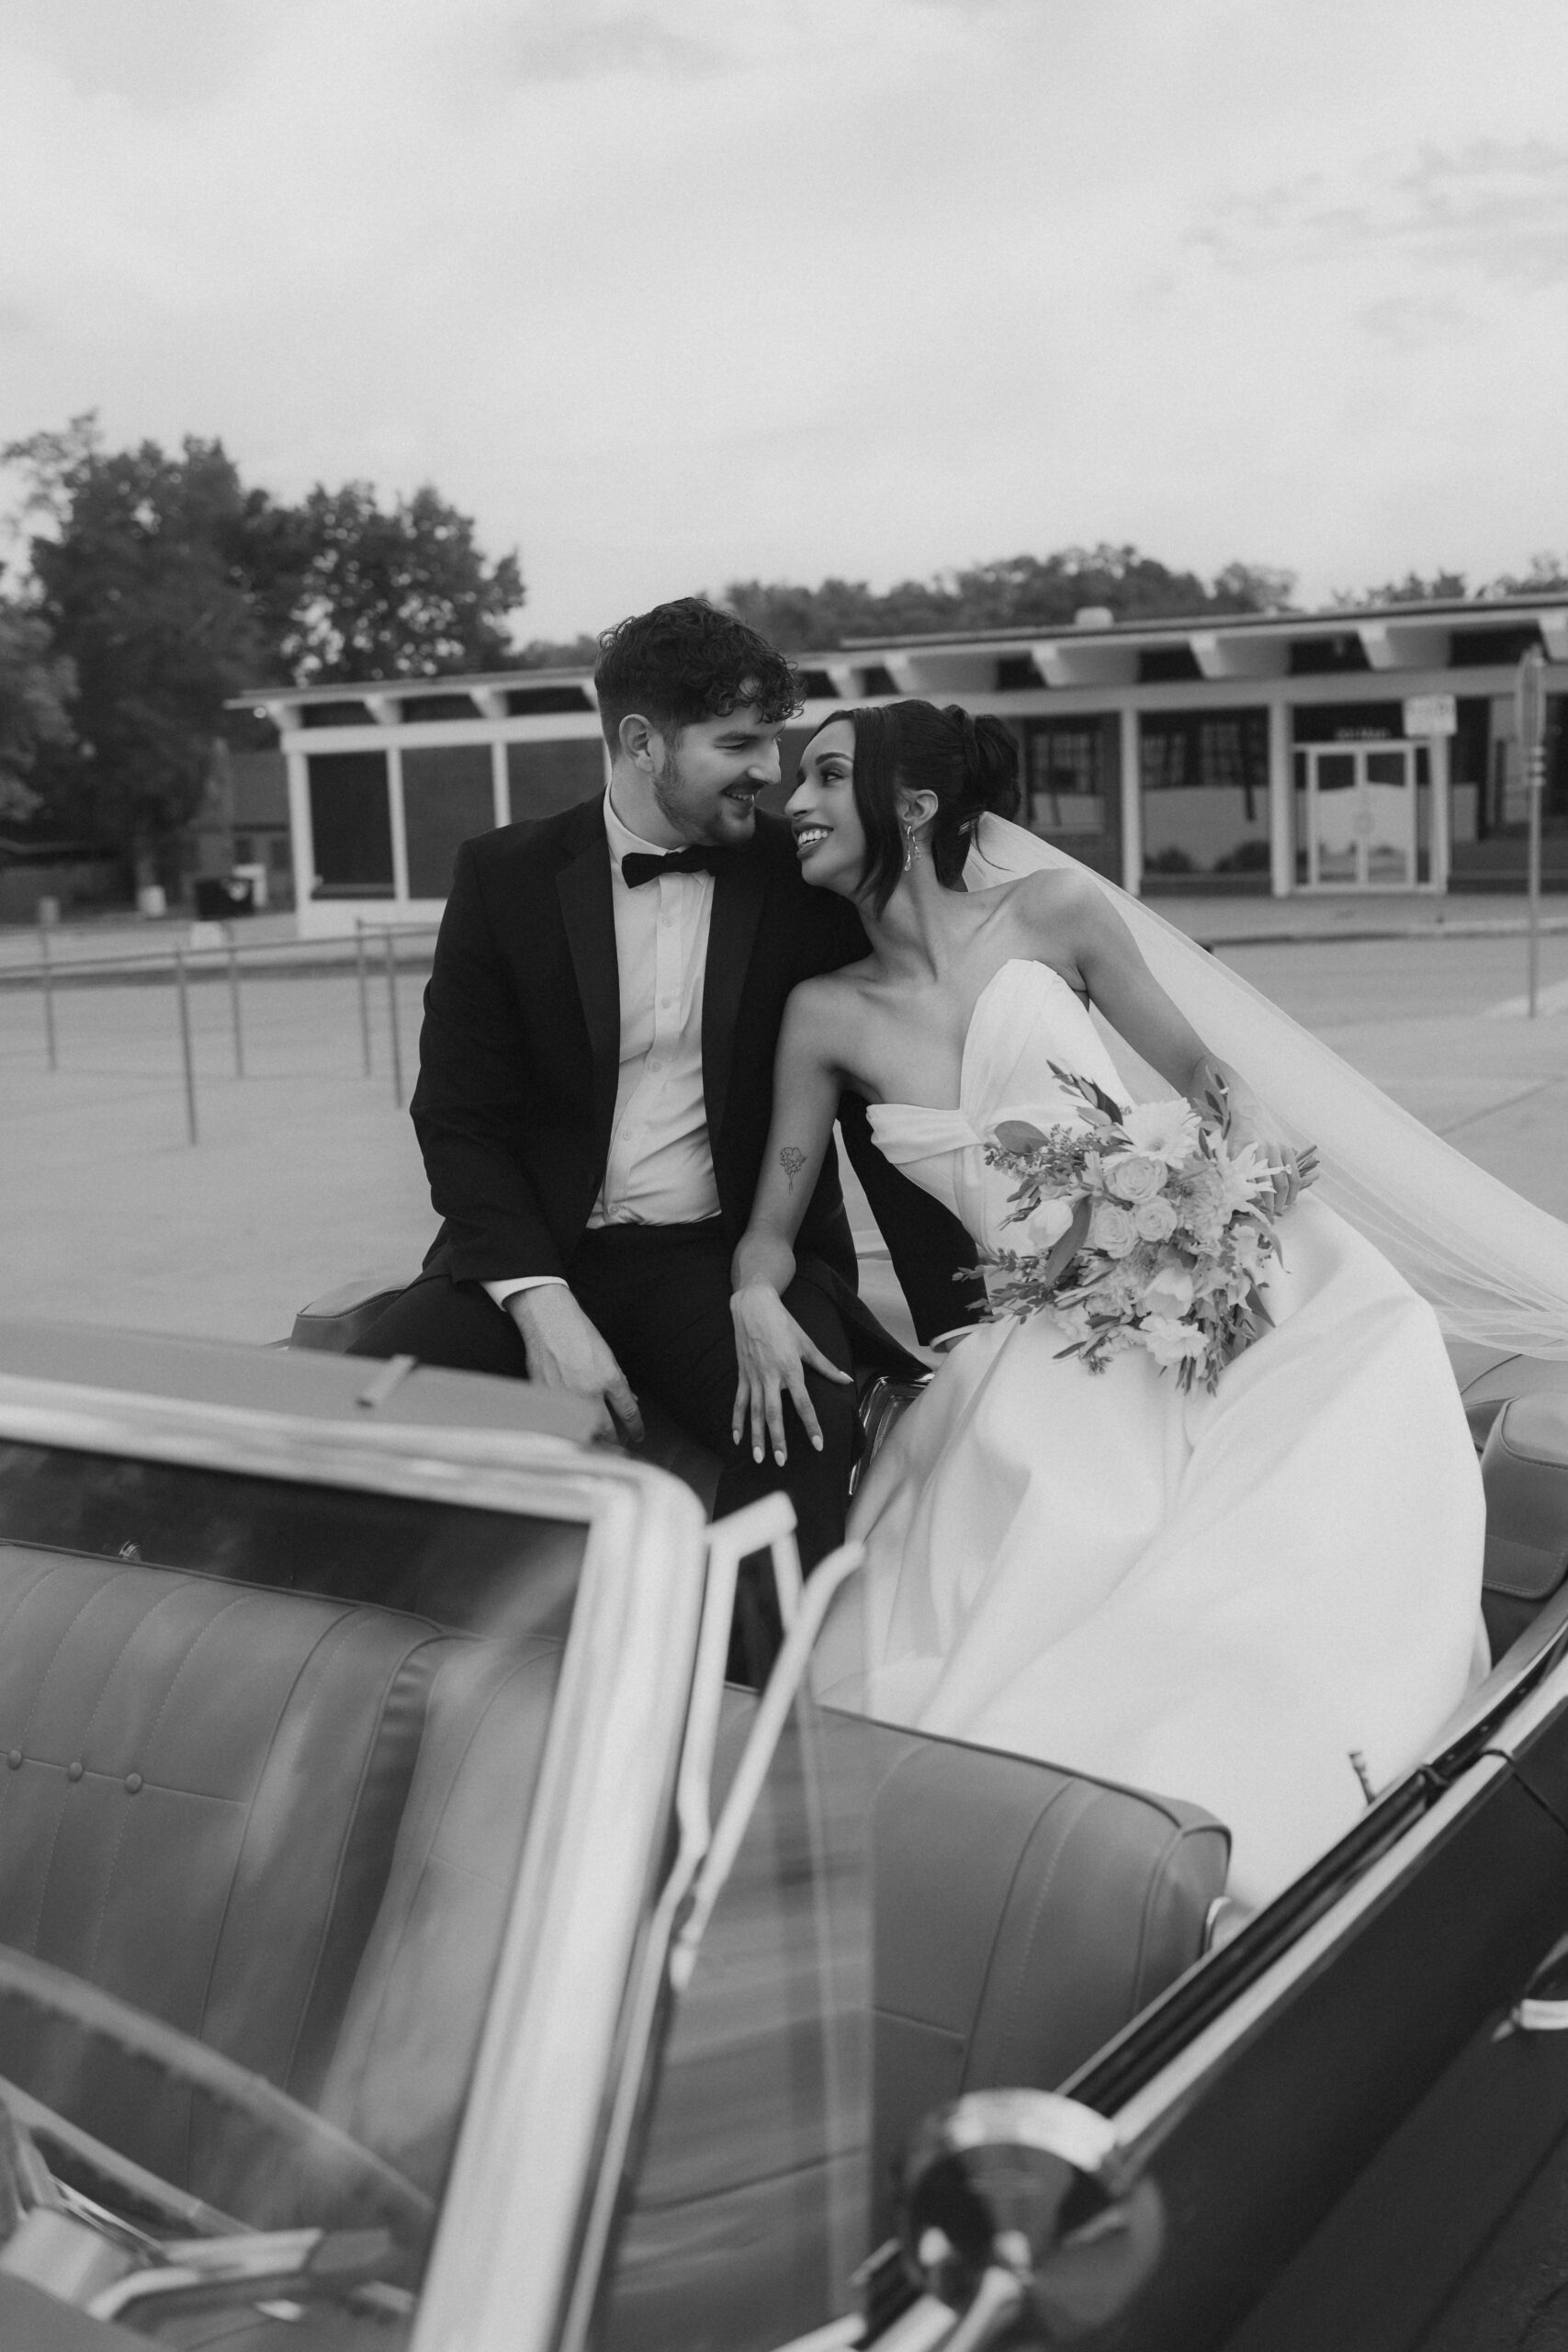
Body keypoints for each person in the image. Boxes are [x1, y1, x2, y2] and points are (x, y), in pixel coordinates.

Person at [729, 699, 1489, 1909]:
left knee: (1351, 1365)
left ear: (912, 807)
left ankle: (1304, 1738)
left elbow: (1199, 1075)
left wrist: (1219, 1199)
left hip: (1176, 1248)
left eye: (822, 776)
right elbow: (769, 1229)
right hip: (1030, 1329)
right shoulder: (823, 1016)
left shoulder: (1056, 916)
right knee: (1050, 1503)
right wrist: (752, 1299)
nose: (793, 804)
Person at [350, 603, 976, 1617]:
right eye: (738, 743)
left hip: (726, 1263)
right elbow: (459, 1117)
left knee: (807, 1428)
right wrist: (541, 1303)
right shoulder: (502, 878)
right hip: (539, 1255)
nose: (769, 771)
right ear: (641, 744)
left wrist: (968, 1338)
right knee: (365, 1398)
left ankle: (735, 1727)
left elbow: (875, 1106)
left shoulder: (802, 880)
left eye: (772, 742)